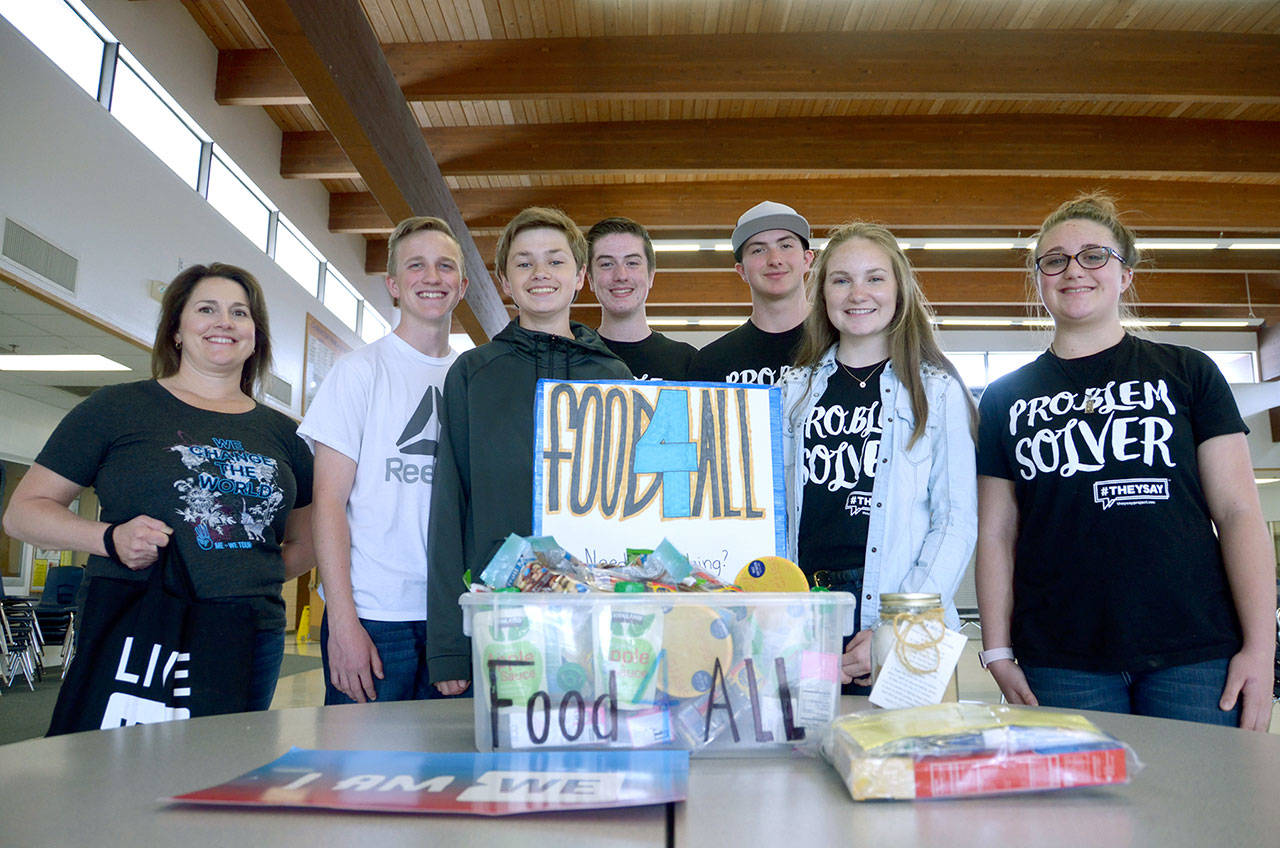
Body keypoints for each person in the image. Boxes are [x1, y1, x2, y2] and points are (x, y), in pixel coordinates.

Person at [975, 193, 1275, 731]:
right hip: (1061, 656)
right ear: (1039, 277)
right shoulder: (1004, 397)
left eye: (1093, 256)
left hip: (1195, 651)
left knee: (1200, 812)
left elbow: (1237, 514)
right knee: (1083, 816)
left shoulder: (1189, 372)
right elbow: (996, 534)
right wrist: (995, 649)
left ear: (1125, 274)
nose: (1074, 271)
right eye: (1055, 260)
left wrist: (1260, 645)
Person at [2, 263, 314, 712]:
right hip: (135, 620)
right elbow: (23, 512)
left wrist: (249, 575)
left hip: (247, 631)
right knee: (121, 771)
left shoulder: (284, 434)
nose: (224, 321)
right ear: (177, 331)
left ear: (255, 335)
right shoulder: (117, 408)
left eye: (240, 313)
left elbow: (309, 538)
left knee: (222, 773)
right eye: (207, 309)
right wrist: (109, 538)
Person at [426, 207, 632, 695]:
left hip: (597, 616)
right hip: (501, 612)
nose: (540, 273)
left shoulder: (615, 376)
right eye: (523, 263)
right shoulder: (473, 372)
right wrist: (449, 644)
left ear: (580, 276)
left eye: (556, 261)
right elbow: (449, 508)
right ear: (503, 280)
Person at [778, 222, 977, 692]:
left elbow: (955, 521)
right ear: (822, 292)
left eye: (874, 277)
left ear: (899, 289)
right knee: (808, 752)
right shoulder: (792, 391)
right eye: (841, 279)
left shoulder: (938, 391)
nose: (857, 293)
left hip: (903, 608)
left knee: (899, 758)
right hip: (808, 611)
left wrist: (895, 630)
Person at [298, 216, 466, 704]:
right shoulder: (358, 373)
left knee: (447, 776)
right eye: (416, 265)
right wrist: (343, 623)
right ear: (394, 284)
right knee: (362, 777)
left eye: (445, 266)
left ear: (462, 284)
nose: (431, 277)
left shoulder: (472, 379)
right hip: (373, 617)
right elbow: (327, 505)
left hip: (451, 617)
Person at [687, 200, 813, 384]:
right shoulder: (712, 362)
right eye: (758, 250)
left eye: (785, 246)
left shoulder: (842, 343)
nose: (775, 259)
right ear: (742, 271)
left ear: (807, 259)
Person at [586, 216, 697, 380]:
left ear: (651, 275)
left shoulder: (687, 361)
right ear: (590, 279)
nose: (621, 276)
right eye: (607, 264)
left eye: (632, 263)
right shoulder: (575, 359)